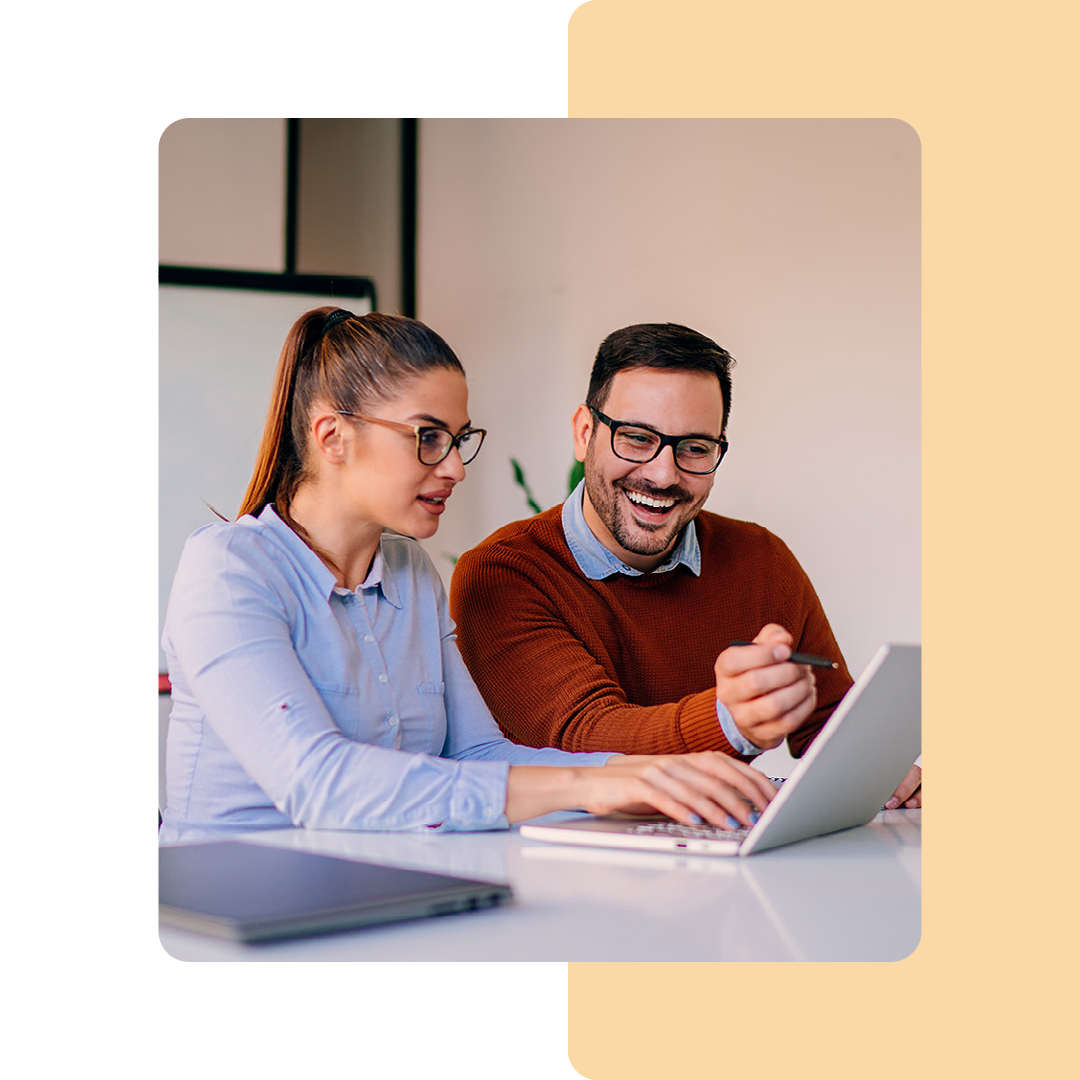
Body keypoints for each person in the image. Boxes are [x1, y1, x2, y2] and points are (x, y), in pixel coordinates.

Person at [159, 309, 780, 843]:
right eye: (428, 437)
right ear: (332, 437)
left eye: (459, 439)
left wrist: (655, 778)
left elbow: (478, 752)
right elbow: (319, 783)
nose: (455, 467)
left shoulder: (407, 574)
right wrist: (599, 781)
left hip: (380, 890)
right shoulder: (227, 571)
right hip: (233, 919)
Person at [450, 323, 921, 809]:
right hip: (568, 861)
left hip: (716, 859)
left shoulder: (762, 560)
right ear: (584, 432)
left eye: (695, 448)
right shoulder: (502, 574)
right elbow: (585, 738)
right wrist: (729, 721)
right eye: (636, 438)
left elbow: (826, 724)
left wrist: (884, 772)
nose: (663, 474)